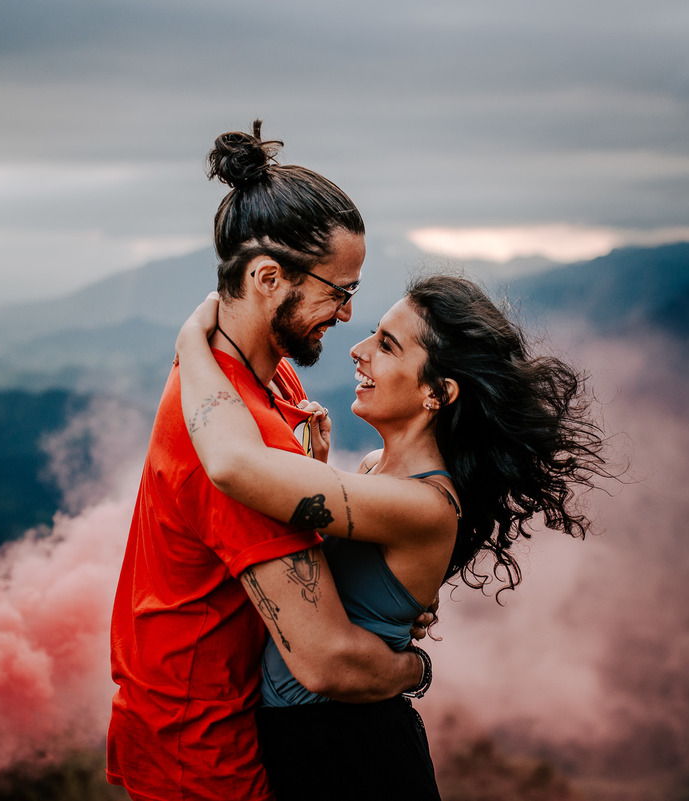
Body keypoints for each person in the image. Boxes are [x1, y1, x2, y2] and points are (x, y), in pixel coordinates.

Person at [174, 273, 607, 800]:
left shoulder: (425, 506)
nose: (358, 351)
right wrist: (315, 472)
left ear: (437, 393)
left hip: (353, 753)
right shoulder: (375, 468)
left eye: (386, 345)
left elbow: (232, 465)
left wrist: (192, 344)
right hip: (312, 743)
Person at [107, 121, 428, 801]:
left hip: (189, 726)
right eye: (339, 290)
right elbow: (329, 661)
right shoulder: (238, 429)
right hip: (206, 755)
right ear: (268, 277)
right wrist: (410, 666)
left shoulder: (253, 377)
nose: (346, 314)